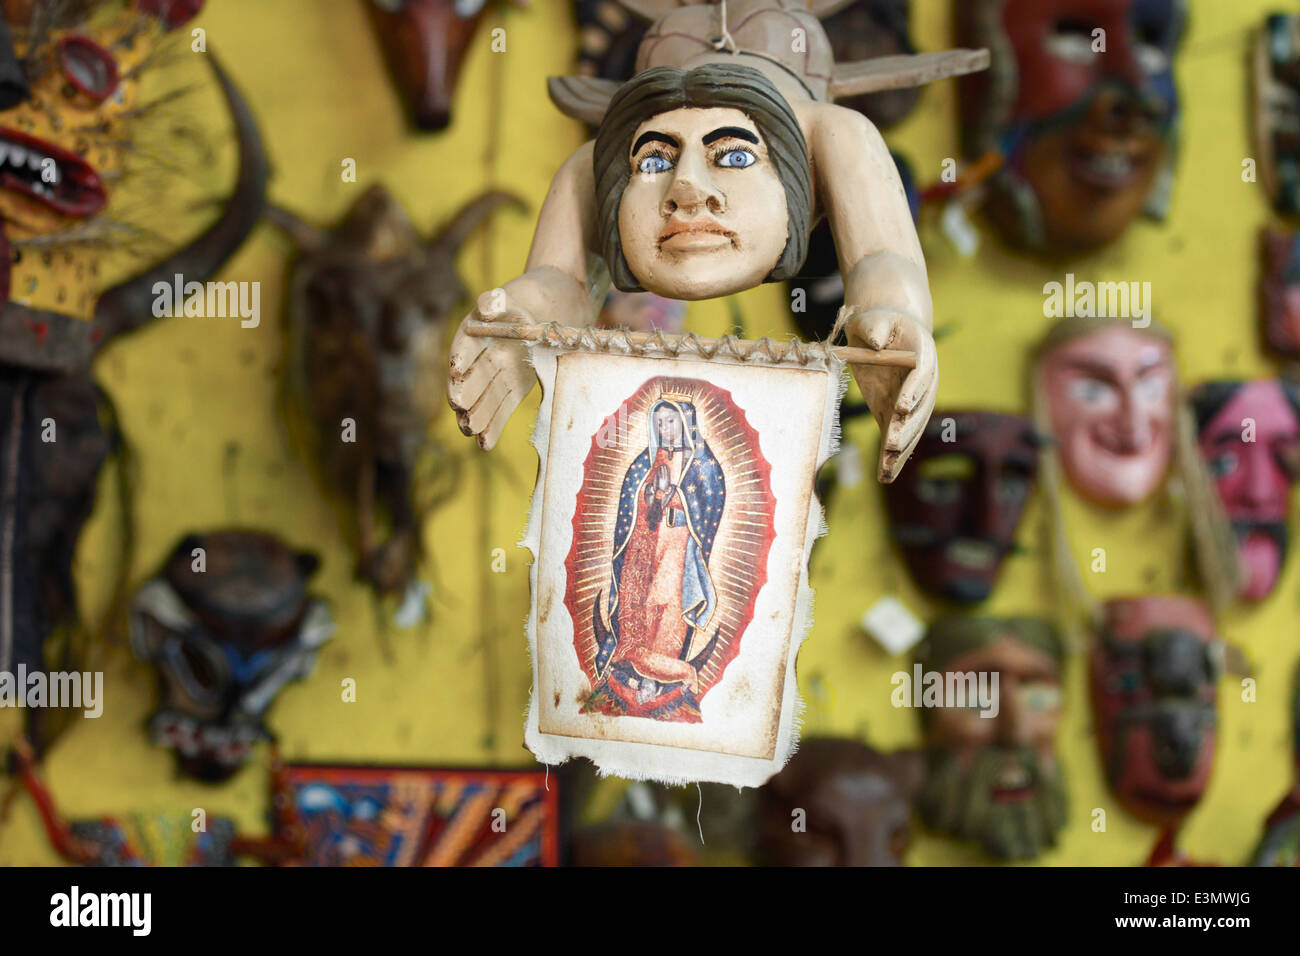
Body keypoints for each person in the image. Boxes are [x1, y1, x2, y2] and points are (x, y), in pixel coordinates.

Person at [586, 391, 724, 721]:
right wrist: (649, 496)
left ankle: (660, 678)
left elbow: (710, 507)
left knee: (669, 612)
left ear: (686, 423)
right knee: (641, 607)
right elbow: (628, 507)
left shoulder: (704, 465)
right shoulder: (644, 462)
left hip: (679, 551)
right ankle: (636, 669)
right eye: (660, 422)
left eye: (672, 421)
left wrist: (677, 498)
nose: (666, 428)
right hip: (643, 547)